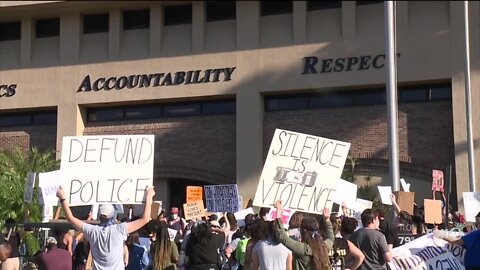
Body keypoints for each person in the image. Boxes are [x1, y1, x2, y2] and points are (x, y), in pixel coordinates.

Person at [56, 185, 155, 270]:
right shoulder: (119, 230)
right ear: (113, 216)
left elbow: (70, 218)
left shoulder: (93, 231)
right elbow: (145, 219)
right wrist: (149, 197)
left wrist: (63, 198)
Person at [273, 200, 331, 270]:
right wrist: (327, 220)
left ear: (303, 231)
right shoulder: (324, 246)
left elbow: (282, 237)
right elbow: (330, 238)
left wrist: (278, 215)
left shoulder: (302, 249)